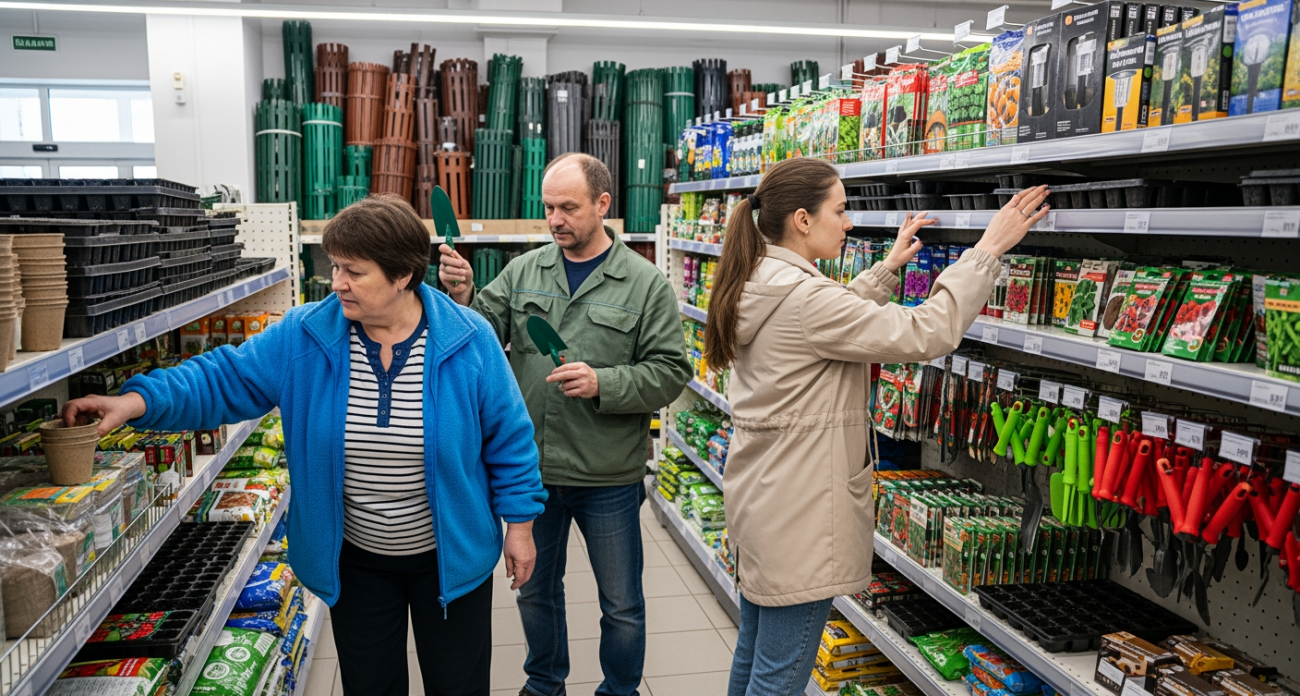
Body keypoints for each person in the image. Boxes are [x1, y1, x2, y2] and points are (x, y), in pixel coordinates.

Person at [62, 195, 547, 696]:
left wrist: (521, 526)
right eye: (336, 267)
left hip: (451, 557)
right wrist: (136, 402)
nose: (337, 282)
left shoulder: (469, 340)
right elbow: (224, 377)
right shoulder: (307, 335)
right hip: (355, 560)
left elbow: (510, 440)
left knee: (459, 685)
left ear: (403, 275)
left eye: (354, 272)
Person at [702, 157, 1049, 696]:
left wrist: (885, 271)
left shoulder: (759, 277)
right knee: (780, 678)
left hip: (764, 500)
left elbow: (824, 322)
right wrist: (987, 251)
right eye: (840, 211)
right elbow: (926, 331)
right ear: (801, 219)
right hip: (801, 514)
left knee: (755, 657)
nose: (848, 222)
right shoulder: (805, 298)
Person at [438, 153, 692, 696]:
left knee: (621, 603)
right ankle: (544, 682)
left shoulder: (646, 284)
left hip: (608, 473)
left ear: (602, 204)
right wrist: (461, 296)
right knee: (534, 591)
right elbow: (480, 333)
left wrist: (605, 383)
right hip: (532, 472)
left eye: (568, 207)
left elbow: (671, 372)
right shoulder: (526, 270)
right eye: (549, 207)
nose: (555, 219)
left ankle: (620, 689)